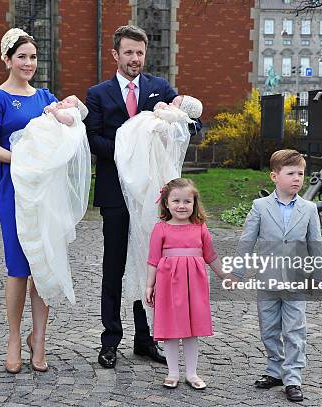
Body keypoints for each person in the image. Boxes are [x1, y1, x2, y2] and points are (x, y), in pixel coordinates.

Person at [85, 24, 200, 369]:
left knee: (147, 264)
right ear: (115, 55)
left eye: (140, 53)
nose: (135, 59)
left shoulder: (159, 88)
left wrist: (175, 120)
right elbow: (92, 140)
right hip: (116, 193)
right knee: (115, 266)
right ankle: (110, 340)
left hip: (152, 196)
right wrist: (128, 150)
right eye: (129, 52)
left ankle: (144, 338)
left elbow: (192, 125)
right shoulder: (98, 94)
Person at [0, 28, 57, 374]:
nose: (28, 63)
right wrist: (22, 158)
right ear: (7, 59)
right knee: (18, 269)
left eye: (33, 57)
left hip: (46, 193)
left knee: (43, 267)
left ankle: (38, 339)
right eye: (21, 56)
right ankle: (13, 338)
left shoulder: (45, 97)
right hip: (14, 191)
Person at [234, 149, 322, 402]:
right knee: (269, 328)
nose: (297, 178)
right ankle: (275, 369)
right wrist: (238, 271)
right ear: (274, 176)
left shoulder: (309, 209)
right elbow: (247, 241)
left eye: (301, 174)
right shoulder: (260, 207)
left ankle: (293, 378)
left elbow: (315, 243)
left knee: (295, 329)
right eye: (291, 173)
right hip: (268, 279)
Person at [115, 95, 203, 309]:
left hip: (158, 171)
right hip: (132, 177)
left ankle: (157, 288)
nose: (174, 98)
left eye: (179, 99)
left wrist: (165, 112)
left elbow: (182, 123)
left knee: (151, 226)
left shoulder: (177, 117)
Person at [145, 178, 227, 390]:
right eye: (176, 201)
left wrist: (224, 275)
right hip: (168, 285)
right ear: (166, 203)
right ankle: (173, 372)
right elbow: (153, 259)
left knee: (192, 330)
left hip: (195, 286)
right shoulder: (160, 228)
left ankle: (192, 373)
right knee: (171, 329)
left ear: (194, 203)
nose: (181, 206)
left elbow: (211, 256)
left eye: (186, 202)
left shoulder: (200, 228)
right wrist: (149, 286)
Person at [9, 95, 90, 307]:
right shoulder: (57, 108)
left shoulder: (71, 115)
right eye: (65, 100)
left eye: (70, 101)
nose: (64, 101)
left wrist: (55, 113)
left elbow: (68, 122)